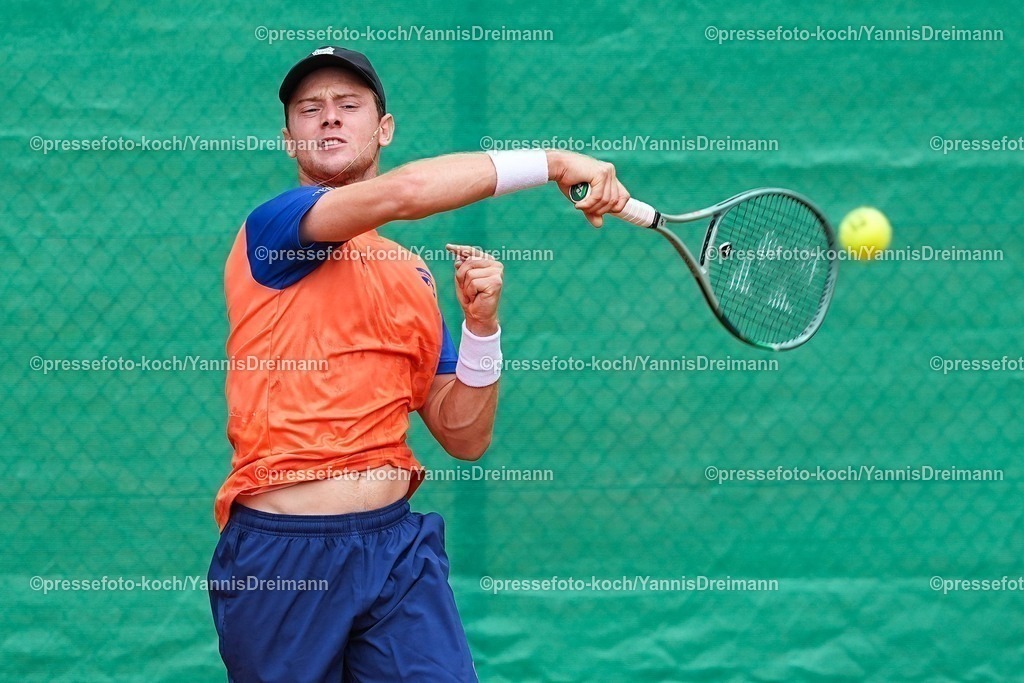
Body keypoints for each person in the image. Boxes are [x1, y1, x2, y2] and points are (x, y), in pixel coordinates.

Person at [207, 46, 630, 682]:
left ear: (384, 129)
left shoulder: (412, 275)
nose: (328, 119)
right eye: (309, 109)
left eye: (347, 106)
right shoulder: (274, 227)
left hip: (396, 551)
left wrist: (482, 330)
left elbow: (464, 435)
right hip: (283, 559)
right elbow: (403, 193)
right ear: (289, 139)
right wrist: (554, 162)